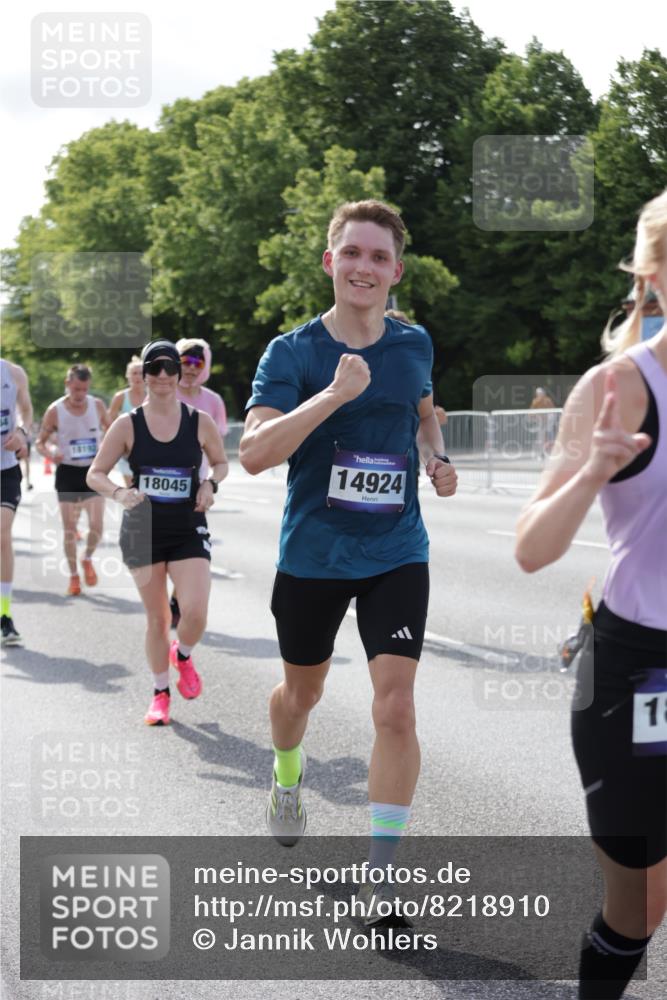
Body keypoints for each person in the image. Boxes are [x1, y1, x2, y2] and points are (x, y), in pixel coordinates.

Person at [240, 199, 457, 923]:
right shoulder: (292, 353)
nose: (365, 267)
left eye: (379, 257)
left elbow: (422, 412)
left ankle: (380, 878)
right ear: (330, 261)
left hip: (397, 549)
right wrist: (333, 395)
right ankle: (286, 773)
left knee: (396, 706)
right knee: (300, 697)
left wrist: (436, 457)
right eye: (353, 253)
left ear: (396, 272)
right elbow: (254, 454)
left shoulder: (414, 343)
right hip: (313, 554)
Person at [515, 188, 667, 999]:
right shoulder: (619, 386)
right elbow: (531, 548)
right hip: (636, 674)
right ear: (652, 275)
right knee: (637, 907)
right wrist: (591, 472)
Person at [87, 340, 229, 726]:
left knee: (195, 612)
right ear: (144, 374)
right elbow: (95, 473)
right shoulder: (127, 424)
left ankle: (182, 654)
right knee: (157, 618)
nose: (163, 375)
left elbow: (220, 463)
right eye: (154, 368)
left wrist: (209, 484)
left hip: (187, 526)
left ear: (179, 373)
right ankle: (160, 694)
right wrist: (119, 493)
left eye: (170, 367)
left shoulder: (199, 421)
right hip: (143, 529)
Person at [170, 337, 228, 628]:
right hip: (160, 482)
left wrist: (210, 483)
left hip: (195, 484)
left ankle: (176, 598)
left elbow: (219, 452)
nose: (192, 368)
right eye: (186, 362)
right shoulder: (164, 393)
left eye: (198, 363)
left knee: (189, 548)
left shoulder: (213, 401)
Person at [35, 364, 108, 596]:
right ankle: (74, 576)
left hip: (92, 473)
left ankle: (87, 558)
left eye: (85, 389)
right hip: (67, 473)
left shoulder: (97, 406)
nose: (80, 395)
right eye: (76, 389)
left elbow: (112, 431)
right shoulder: (55, 410)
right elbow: (40, 442)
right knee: (69, 529)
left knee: (96, 526)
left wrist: (106, 450)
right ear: (67, 384)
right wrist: (50, 453)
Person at [1, 357, 33, 645]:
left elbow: (26, 410)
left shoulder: (13, 372)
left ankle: (4, 615)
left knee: (2, 533)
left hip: (6, 469)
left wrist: (22, 432)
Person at [107, 357, 146, 487]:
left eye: (141, 373)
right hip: (126, 451)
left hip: (148, 448)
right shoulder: (120, 397)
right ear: (128, 376)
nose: (138, 377)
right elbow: (109, 422)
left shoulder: (152, 396)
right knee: (132, 488)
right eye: (134, 373)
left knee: (145, 488)